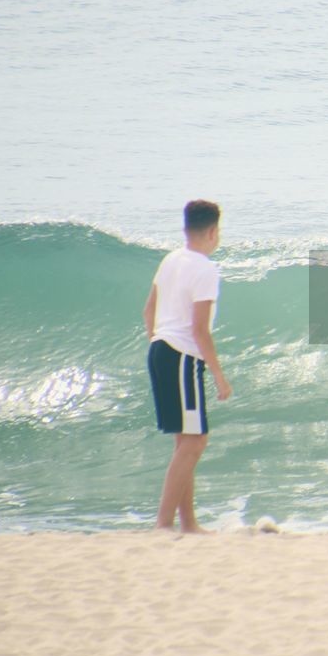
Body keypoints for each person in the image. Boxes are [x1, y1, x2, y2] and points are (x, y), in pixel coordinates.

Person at [143, 200, 232, 533]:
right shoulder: (205, 268)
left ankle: (188, 523)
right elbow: (199, 330)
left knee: (186, 443)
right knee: (194, 442)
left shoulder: (171, 260)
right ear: (212, 232)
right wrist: (220, 376)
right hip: (182, 357)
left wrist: (158, 341)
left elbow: (148, 310)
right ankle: (164, 523)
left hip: (160, 351)